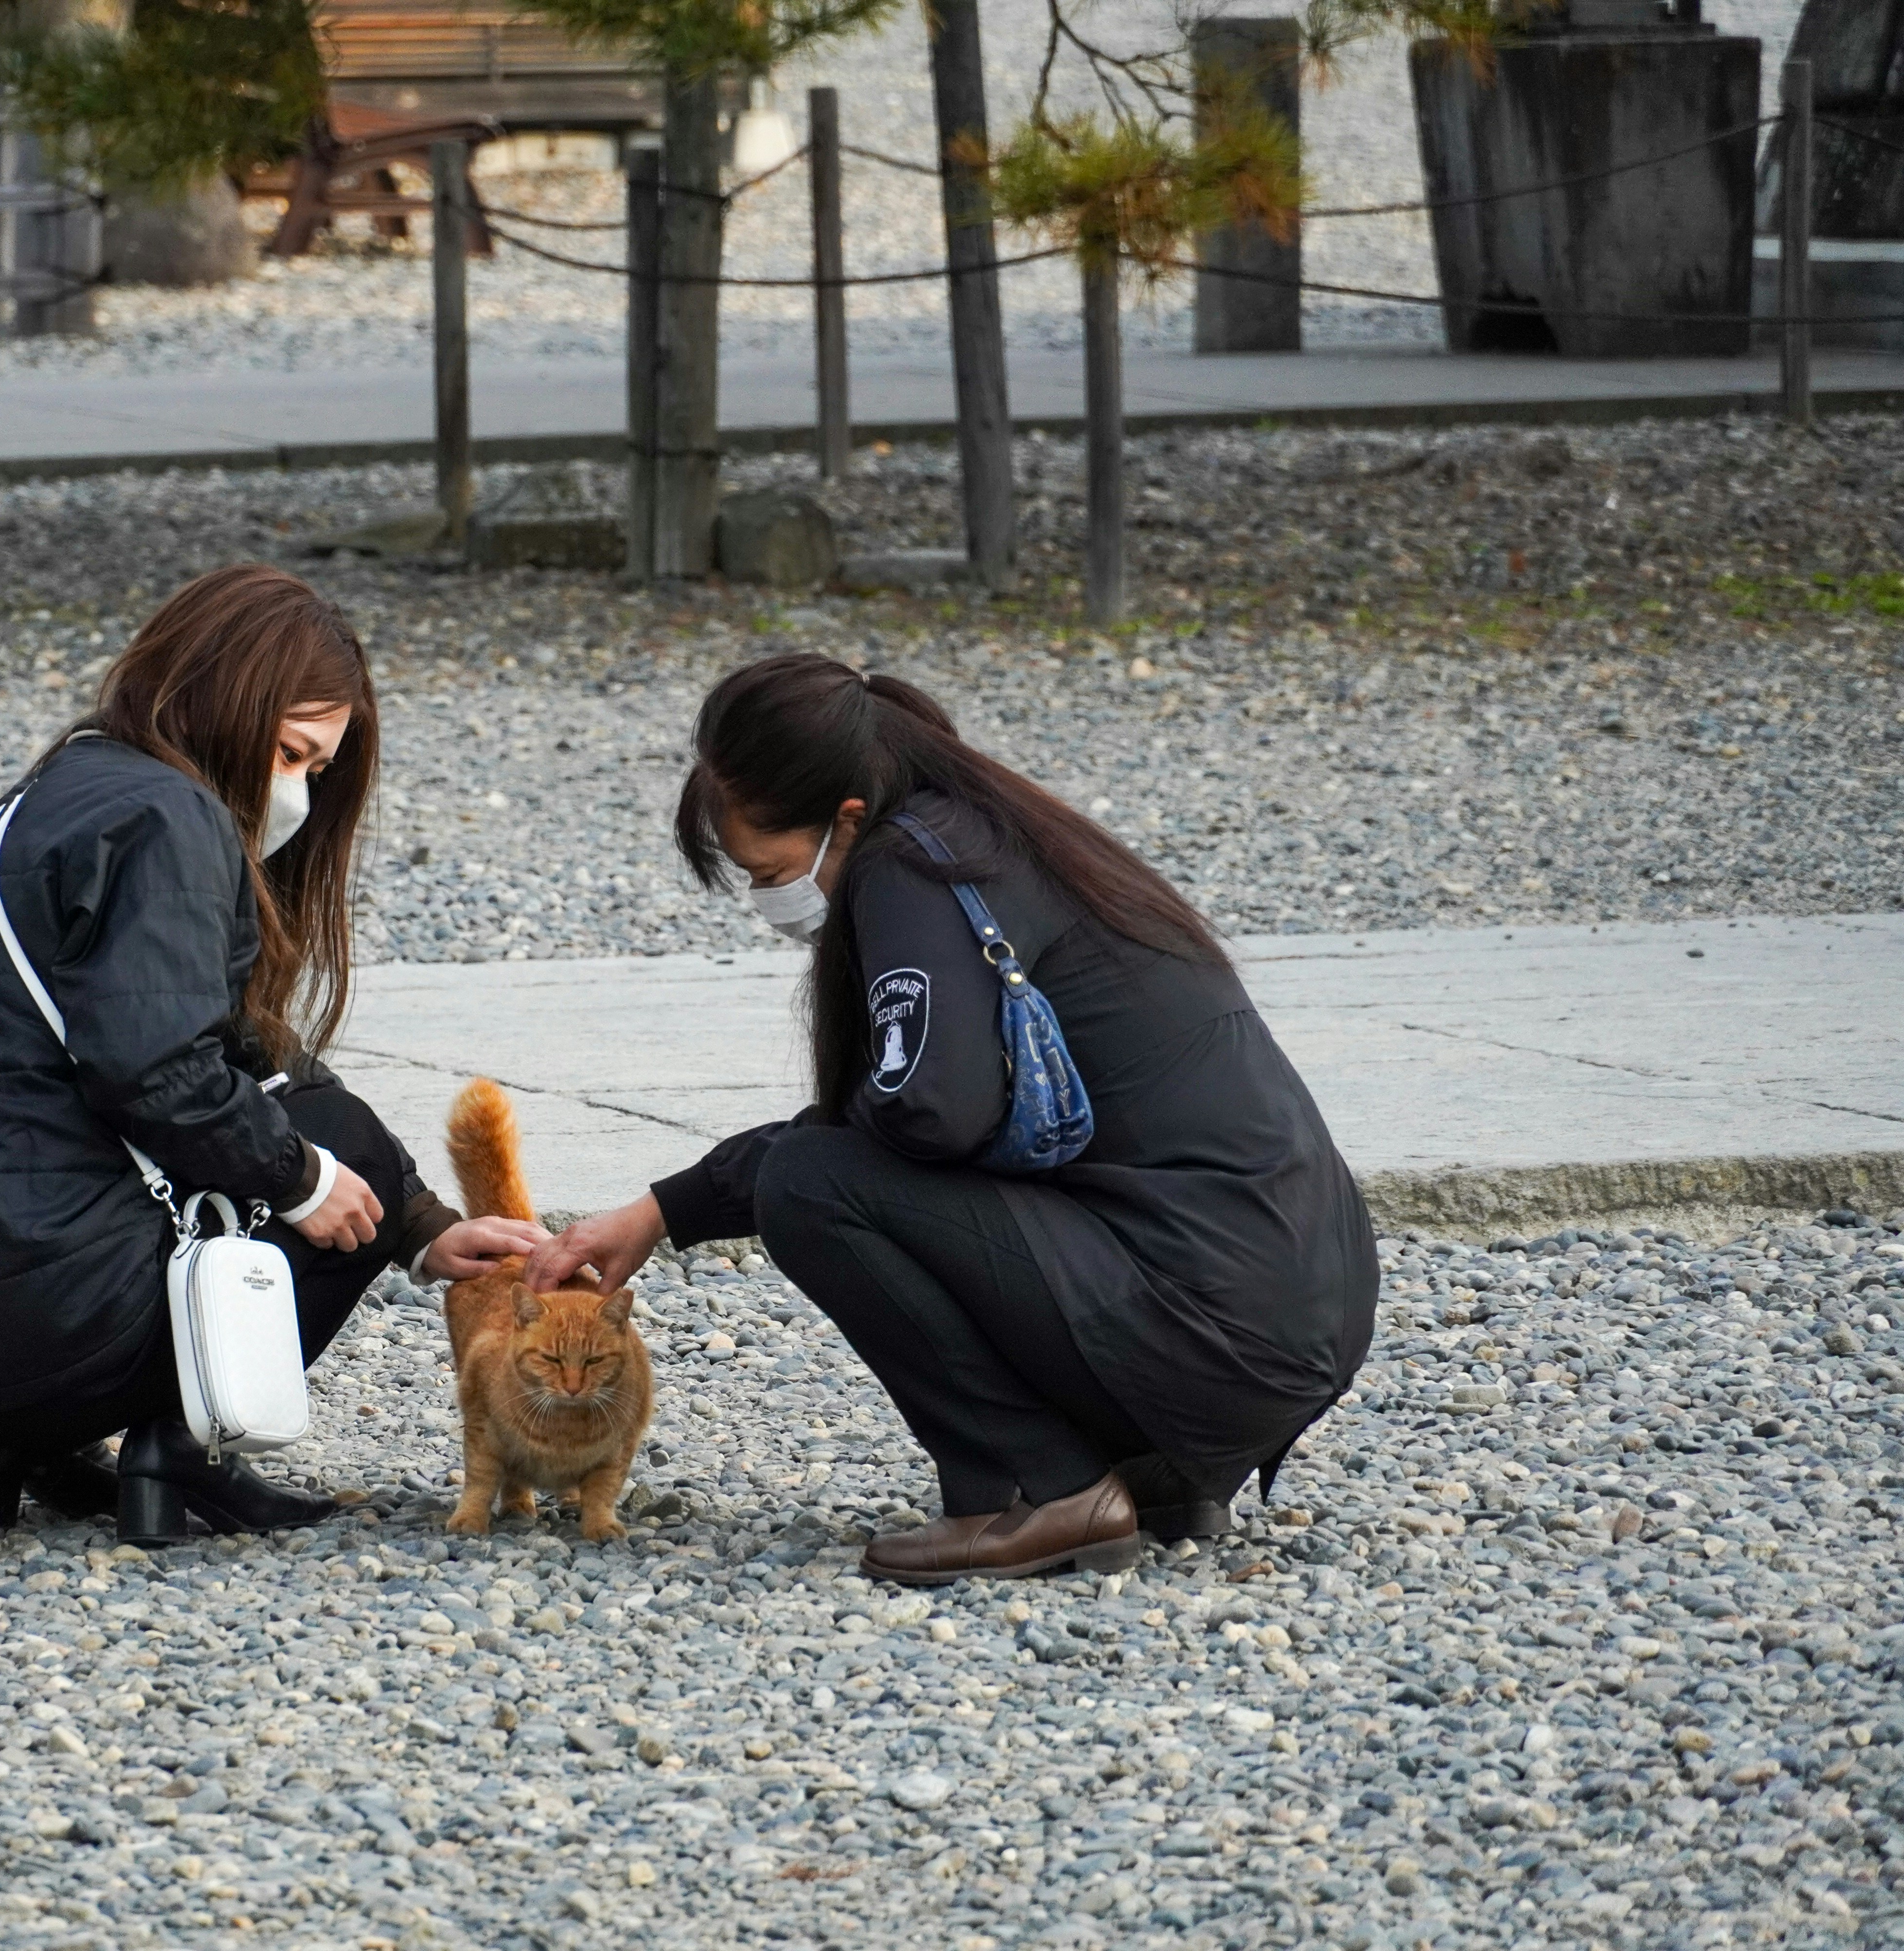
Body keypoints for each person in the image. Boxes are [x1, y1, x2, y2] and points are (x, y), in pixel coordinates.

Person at [528, 653, 1376, 1585]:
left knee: (809, 1185)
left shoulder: (911, 868)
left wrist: (705, 1194)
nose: (771, 899)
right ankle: (1154, 1475)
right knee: (825, 1167)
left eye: (770, 871)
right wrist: (664, 1210)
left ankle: (1038, 1491)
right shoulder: (1000, 835)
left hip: (1214, 1333)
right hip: (1291, 1323)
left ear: (845, 819)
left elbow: (927, 1116)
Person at [0, 564, 542, 1546]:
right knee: (324, 1142)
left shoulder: (45, 799)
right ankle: (179, 1455)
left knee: (284, 1133)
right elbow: (156, 1067)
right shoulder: (172, 815)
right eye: (294, 753)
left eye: (317, 769)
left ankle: (11, 1456)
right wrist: (305, 1179)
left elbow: (233, 1050)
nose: (298, 790)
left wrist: (418, 1227)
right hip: (42, 1323)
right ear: (228, 702)